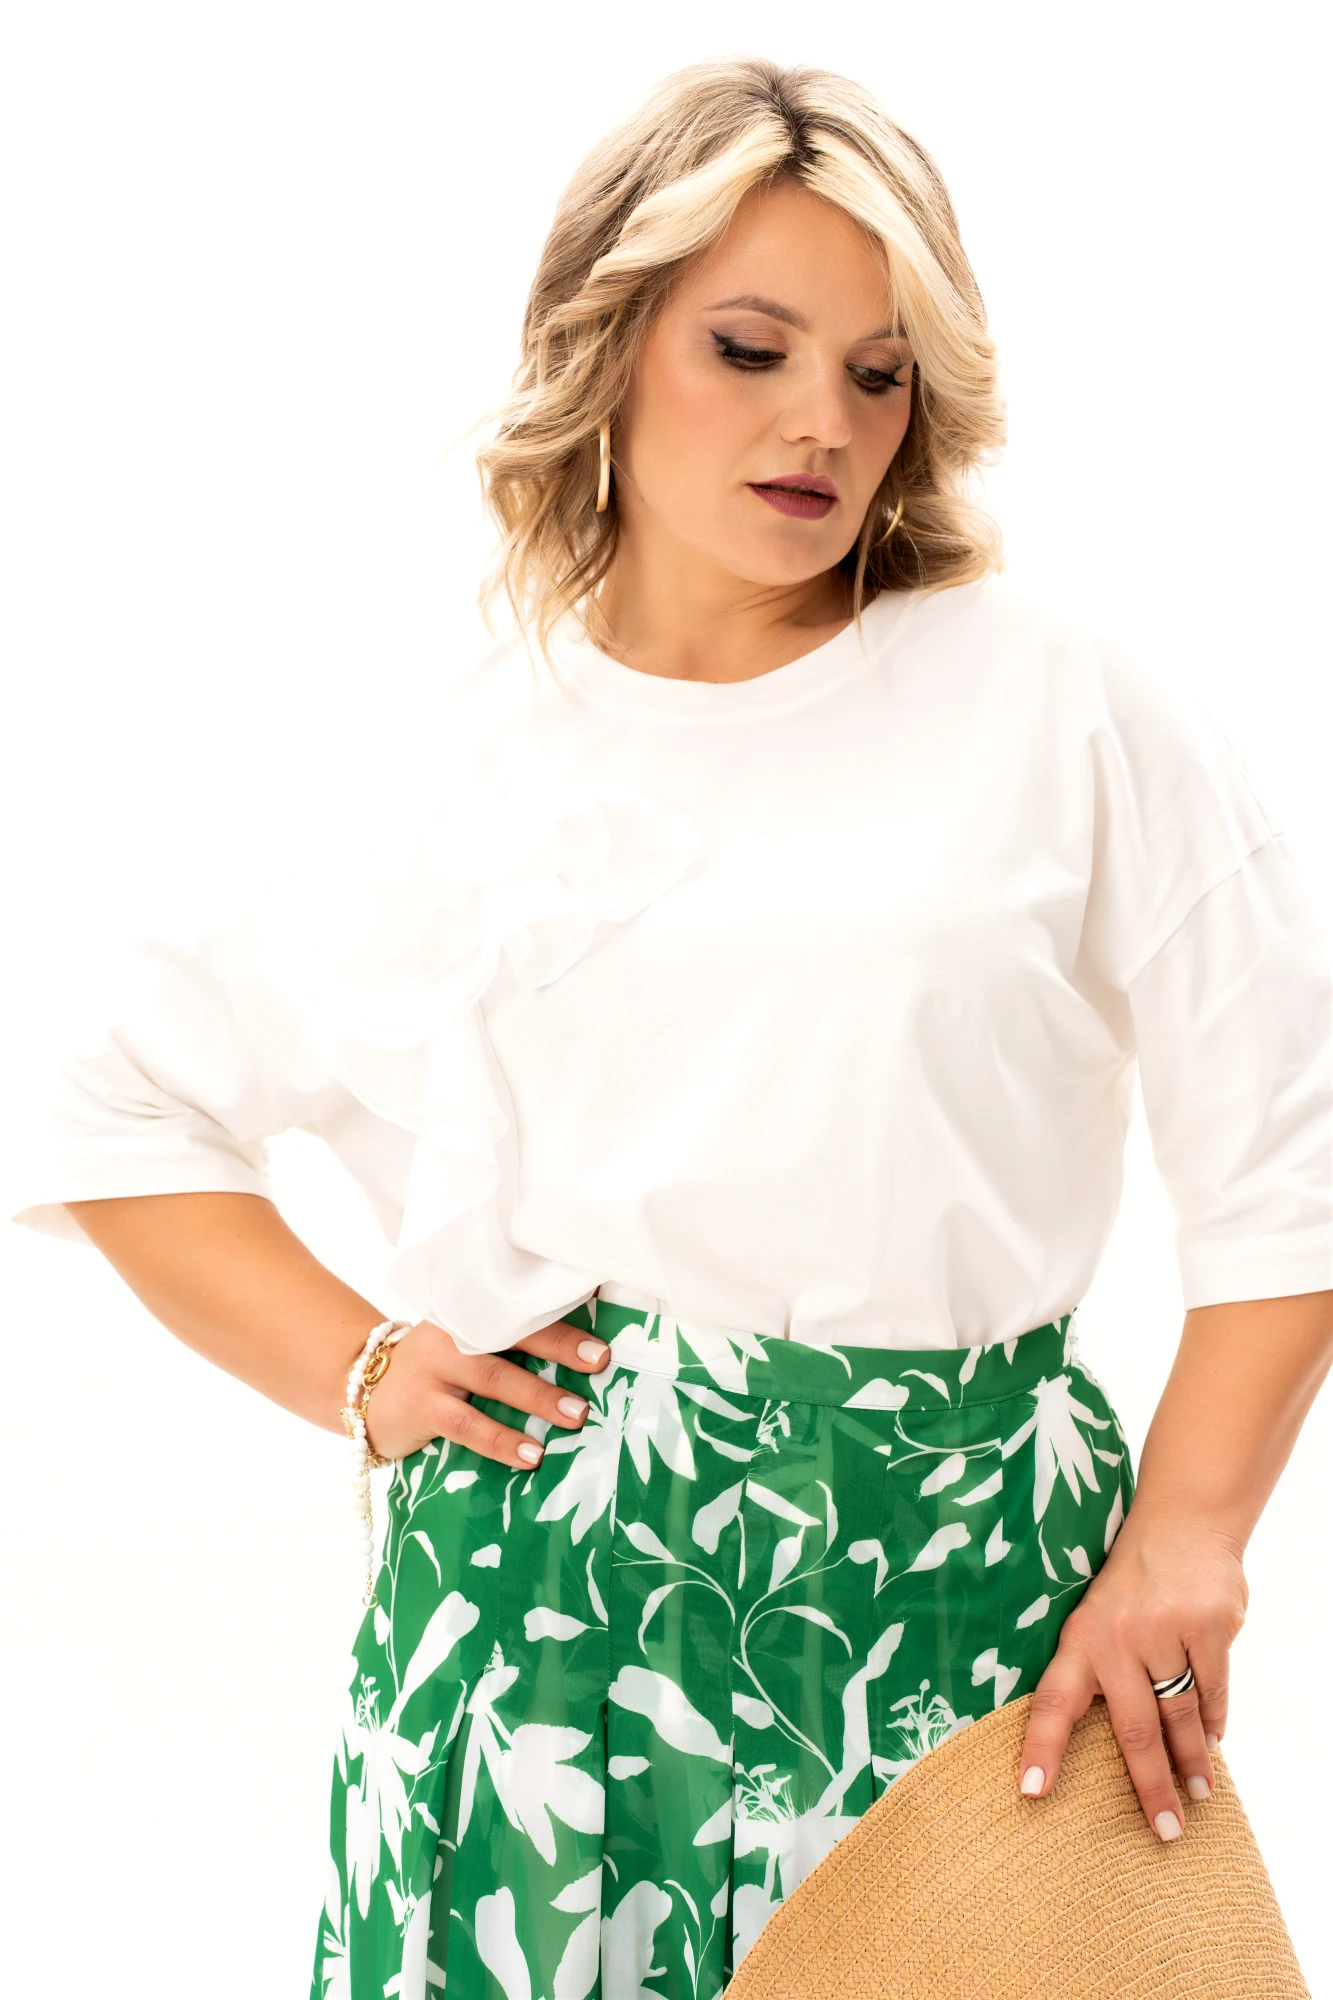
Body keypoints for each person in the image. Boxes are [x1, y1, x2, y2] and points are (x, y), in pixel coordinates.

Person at [14, 56, 1333, 2000]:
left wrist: (1192, 1541)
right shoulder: (451, 752)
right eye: (749, 347)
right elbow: (106, 1097)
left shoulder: (1058, 701)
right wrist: (363, 1367)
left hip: (966, 1586)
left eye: (879, 373)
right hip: (543, 1620)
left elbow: (1287, 1157)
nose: (823, 422)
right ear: (606, 342)